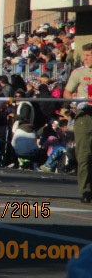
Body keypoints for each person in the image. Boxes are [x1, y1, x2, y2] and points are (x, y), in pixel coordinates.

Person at [64, 42, 92, 203]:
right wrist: (75, 102)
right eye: (85, 55)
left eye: (88, 55)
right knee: (84, 154)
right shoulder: (78, 73)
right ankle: (86, 190)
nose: (86, 58)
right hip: (84, 115)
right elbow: (67, 92)